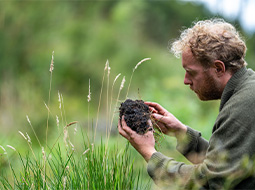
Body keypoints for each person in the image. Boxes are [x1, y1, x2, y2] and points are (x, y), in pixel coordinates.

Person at [118, 18, 255, 189]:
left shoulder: (243, 107)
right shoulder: (247, 92)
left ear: (218, 69)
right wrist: (181, 133)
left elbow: (213, 183)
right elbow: (226, 163)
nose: (185, 81)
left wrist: (150, 154)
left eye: (191, 72)